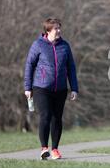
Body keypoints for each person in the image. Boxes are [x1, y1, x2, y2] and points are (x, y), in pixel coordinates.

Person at [24, 18, 78, 160]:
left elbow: (71, 68)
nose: (59, 30)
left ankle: (55, 149)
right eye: (56, 28)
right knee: (45, 115)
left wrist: (74, 88)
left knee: (57, 119)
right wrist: (27, 87)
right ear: (48, 30)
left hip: (60, 89)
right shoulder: (38, 45)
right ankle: (44, 148)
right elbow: (29, 65)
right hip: (41, 87)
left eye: (59, 28)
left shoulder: (65, 46)